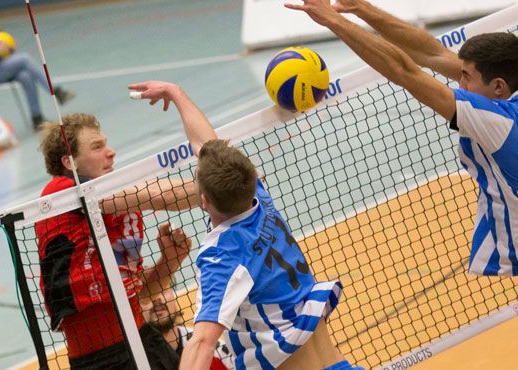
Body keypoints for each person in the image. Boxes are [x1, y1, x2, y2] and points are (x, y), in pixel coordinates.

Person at [129, 80, 363, 370]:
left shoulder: (222, 255)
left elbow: (202, 342)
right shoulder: (258, 197)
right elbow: (206, 145)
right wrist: (176, 92)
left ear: (203, 200)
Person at [284, 0, 518, 276]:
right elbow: (432, 53)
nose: (459, 83)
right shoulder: (504, 91)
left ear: (499, 87)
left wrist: (334, 22)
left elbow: (405, 71)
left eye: (466, 77)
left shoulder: (498, 122)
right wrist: (361, 8)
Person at [36, 113, 199, 369]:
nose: (111, 152)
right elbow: (157, 194)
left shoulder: (117, 211)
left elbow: (138, 295)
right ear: (69, 162)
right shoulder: (59, 193)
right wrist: (225, 186)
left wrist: (169, 262)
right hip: (100, 361)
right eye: (97, 147)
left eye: (106, 144)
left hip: (144, 341)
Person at [0, 0, 75, 128]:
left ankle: (36, 118)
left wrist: (9, 48)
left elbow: (4, 55)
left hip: (2, 68)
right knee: (24, 59)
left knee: (25, 76)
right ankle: (56, 91)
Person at [141, 287, 235, 370]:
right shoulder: (134, 357)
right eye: (146, 292)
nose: (156, 298)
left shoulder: (217, 351)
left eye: (163, 289)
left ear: (173, 294)